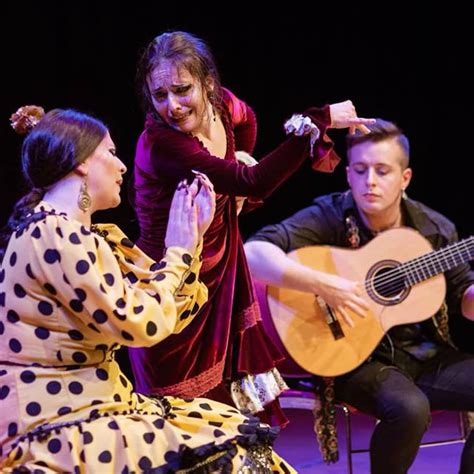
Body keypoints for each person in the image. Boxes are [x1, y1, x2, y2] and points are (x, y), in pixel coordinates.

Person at [0, 105, 296, 473]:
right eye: (110, 152)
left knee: (232, 437)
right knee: (233, 455)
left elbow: (168, 314)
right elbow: (141, 325)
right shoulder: (53, 233)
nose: (122, 166)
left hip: (100, 405)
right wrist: (177, 251)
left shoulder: (78, 235)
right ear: (80, 162)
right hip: (59, 419)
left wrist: (191, 244)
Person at [130, 30, 375, 426]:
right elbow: (254, 182)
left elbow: (248, 122)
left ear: (208, 84)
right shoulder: (164, 145)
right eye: (160, 96)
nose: (172, 106)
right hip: (171, 295)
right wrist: (320, 119)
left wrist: (238, 160)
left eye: (182, 90)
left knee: (237, 425)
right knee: (187, 431)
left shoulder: (222, 105)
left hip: (221, 274)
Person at [245, 119, 474, 474]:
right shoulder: (330, 215)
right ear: (348, 175)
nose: (370, 181)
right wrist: (325, 285)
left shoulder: (434, 229)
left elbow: (466, 301)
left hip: (423, 353)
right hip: (354, 360)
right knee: (410, 409)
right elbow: (253, 254)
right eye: (360, 170)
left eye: (382, 171)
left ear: (405, 178)